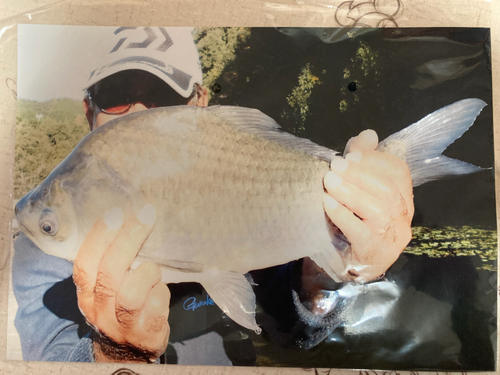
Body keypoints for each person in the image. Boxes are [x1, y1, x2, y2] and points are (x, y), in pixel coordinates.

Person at [12, 26, 413, 364]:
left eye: (161, 98)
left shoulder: (242, 188)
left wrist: (342, 262)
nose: (139, 114)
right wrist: (115, 355)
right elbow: (45, 358)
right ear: (88, 110)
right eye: (116, 95)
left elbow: (292, 332)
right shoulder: (38, 256)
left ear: (199, 104)